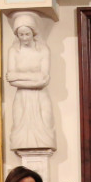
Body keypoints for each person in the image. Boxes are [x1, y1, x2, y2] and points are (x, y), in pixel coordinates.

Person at [5, 12, 56, 151]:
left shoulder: (43, 50)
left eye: (27, 34)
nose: (24, 38)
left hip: (40, 96)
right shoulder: (13, 51)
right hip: (21, 97)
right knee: (19, 128)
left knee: (45, 125)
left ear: (33, 32)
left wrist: (18, 76)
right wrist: (35, 78)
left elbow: (44, 80)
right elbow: (11, 80)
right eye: (20, 35)